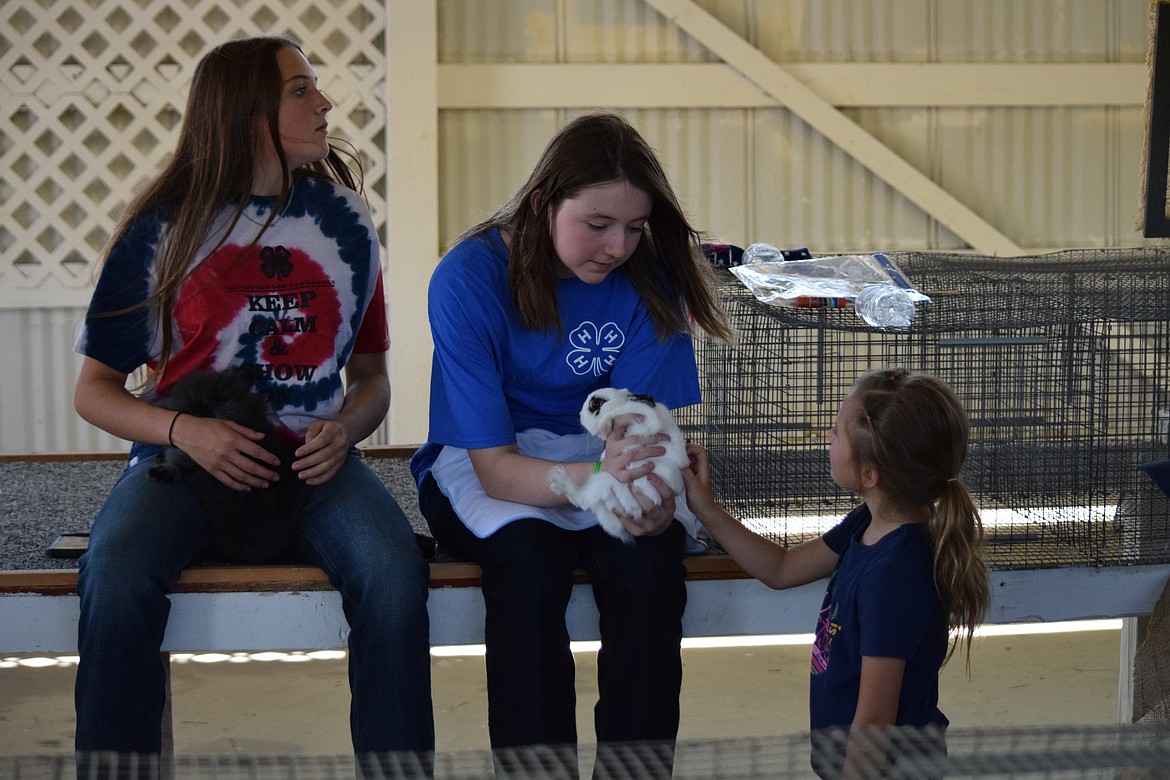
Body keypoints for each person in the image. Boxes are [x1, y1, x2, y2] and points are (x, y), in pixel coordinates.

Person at [72, 36, 434, 768]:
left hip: (313, 471)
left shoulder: (346, 222)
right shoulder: (160, 230)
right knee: (111, 579)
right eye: (302, 89)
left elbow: (372, 379)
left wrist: (345, 428)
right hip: (179, 465)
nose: (325, 102)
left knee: (394, 575)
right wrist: (187, 433)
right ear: (246, 113)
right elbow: (94, 393)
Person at [410, 111, 732, 774]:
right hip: (494, 458)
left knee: (649, 562)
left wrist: (648, 497)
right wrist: (599, 480)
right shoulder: (467, 279)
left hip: (602, 458)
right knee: (527, 566)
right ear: (541, 203)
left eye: (634, 228)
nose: (617, 247)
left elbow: (638, 436)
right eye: (597, 225)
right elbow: (496, 471)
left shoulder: (650, 280)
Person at [682, 367, 990, 779]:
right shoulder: (866, 524)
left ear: (869, 475)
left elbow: (875, 722)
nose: (828, 438)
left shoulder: (894, 575)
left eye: (836, 432)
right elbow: (781, 568)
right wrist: (707, 509)